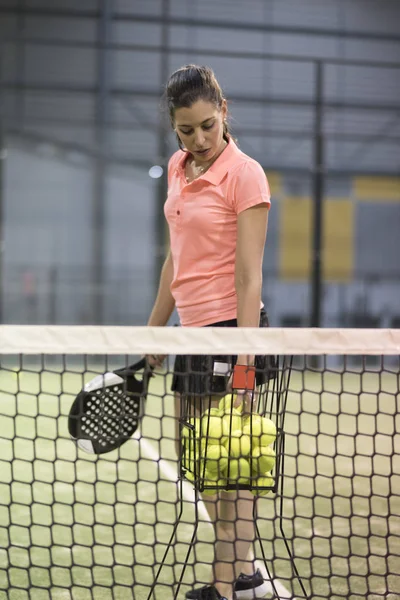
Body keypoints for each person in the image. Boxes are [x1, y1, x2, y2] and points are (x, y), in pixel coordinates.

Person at [147, 65, 271, 600]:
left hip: (231, 331)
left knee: (229, 468)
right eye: (185, 131)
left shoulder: (246, 174)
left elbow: (248, 276)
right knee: (199, 462)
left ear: (223, 111)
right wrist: (154, 334)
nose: (198, 140)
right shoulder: (178, 168)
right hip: (190, 336)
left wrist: (245, 361)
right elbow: (177, 259)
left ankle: (227, 587)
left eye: (206, 126)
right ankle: (242, 574)